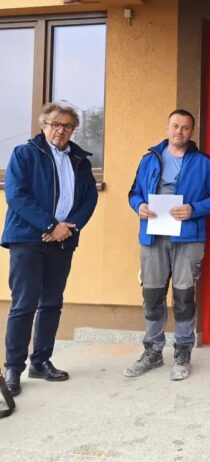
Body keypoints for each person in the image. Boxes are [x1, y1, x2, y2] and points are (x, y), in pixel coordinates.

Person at [1, 102, 98, 396]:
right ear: (44, 125)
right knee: (24, 304)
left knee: (52, 303)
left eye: (67, 126)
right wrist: (50, 225)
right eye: (55, 124)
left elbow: (89, 199)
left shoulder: (80, 160)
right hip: (28, 240)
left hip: (63, 240)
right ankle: (13, 369)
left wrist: (68, 228)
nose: (61, 130)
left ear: (74, 129)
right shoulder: (24, 154)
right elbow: (16, 195)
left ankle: (40, 362)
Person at [125, 109, 210, 381]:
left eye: (186, 127)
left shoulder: (203, 162)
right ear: (167, 128)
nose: (180, 131)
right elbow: (133, 193)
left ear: (192, 132)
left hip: (188, 237)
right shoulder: (149, 159)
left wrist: (194, 209)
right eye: (175, 126)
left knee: (183, 297)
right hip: (153, 236)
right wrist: (139, 206)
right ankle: (153, 351)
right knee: (152, 295)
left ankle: (182, 351)